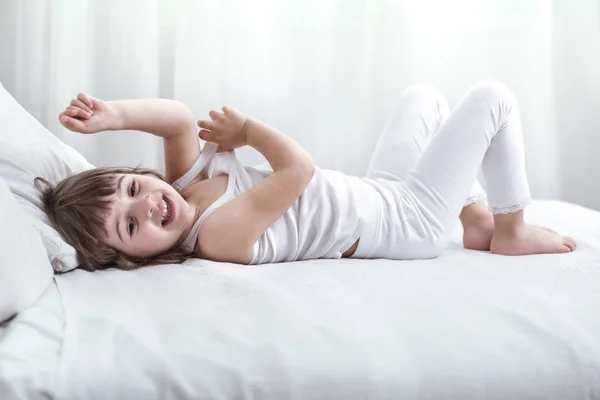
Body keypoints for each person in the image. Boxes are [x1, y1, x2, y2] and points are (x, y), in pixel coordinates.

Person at [36, 81, 576, 271]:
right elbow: (298, 170)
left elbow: (178, 117)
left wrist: (115, 116)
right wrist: (247, 131)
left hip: (381, 193)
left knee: (424, 98)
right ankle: (509, 231)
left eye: (133, 189)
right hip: (408, 224)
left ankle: (476, 220)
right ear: (136, 260)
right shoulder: (217, 238)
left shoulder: (180, 189)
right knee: (492, 99)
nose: (150, 206)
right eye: (133, 227)